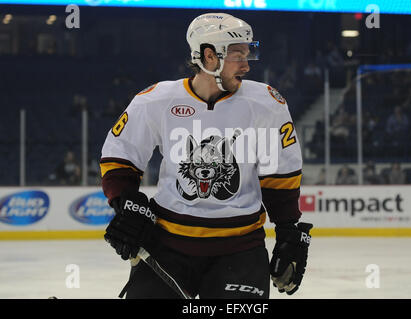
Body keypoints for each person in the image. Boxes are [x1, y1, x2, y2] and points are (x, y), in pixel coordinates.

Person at [100, 13, 312, 299]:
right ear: (209, 56)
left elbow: (280, 175)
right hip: (166, 245)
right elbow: (120, 156)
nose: (247, 65)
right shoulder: (156, 100)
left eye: (248, 54)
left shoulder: (266, 104)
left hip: (240, 251)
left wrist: (288, 230)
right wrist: (127, 204)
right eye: (238, 55)